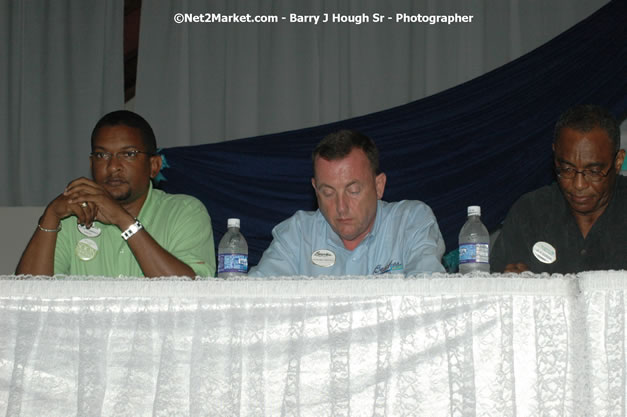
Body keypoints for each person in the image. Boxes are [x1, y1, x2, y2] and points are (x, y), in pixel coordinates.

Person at [16, 110, 215, 278]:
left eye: (128, 154)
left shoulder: (184, 212)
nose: (112, 167)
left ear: (153, 166)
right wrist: (50, 217)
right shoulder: (70, 217)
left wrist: (123, 220)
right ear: (91, 163)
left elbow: (189, 296)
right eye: (102, 155)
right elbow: (25, 300)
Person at [249, 130, 445, 277]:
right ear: (315, 189)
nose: (341, 207)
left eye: (353, 191)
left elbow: (429, 295)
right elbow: (251, 300)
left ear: (379, 186)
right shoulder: (298, 234)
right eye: (328, 192)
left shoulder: (410, 222)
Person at [491, 105, 626, 273]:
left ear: (618, 161)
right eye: (567, 169)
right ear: (555, 157)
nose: (578, 184)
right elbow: (493, 287)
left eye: (593, 172)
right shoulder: (529, 212)